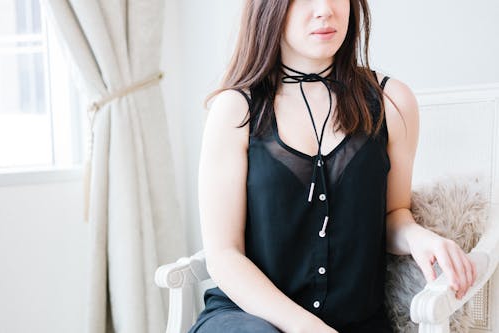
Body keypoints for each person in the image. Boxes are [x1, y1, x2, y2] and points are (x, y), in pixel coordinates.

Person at [189, 0, 477, 332]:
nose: (325, 9)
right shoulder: (235, 110)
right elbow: (225, 256)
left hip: (355, 322)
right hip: (247, 318)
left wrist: (417, 236)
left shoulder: (392, 103)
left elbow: (392, 213)